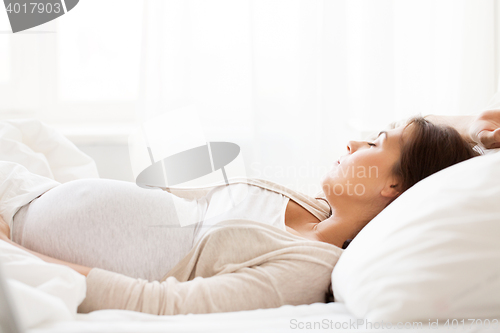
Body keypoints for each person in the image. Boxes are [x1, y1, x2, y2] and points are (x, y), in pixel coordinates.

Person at [0, 112, 499, 316]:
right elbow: (434, 150)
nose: (353, 142)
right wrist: (479, 129)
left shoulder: (307, 266)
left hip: (17, 235)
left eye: (375, 143)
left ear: (394, 185)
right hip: (33, 192)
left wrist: (17, 254)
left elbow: (162, 306)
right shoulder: (311, 206)